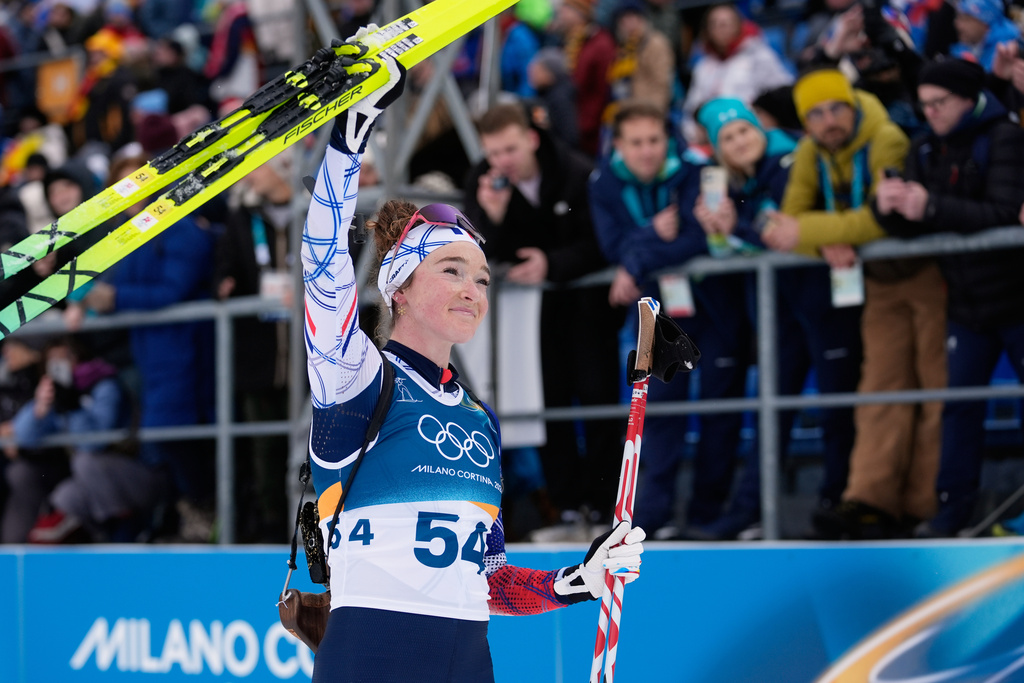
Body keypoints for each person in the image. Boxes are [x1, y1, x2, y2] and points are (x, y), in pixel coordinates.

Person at [302, 50, 644, 681]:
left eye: (483, 279)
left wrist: (580, 579)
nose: (472, 291)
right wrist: (348, 143)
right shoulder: (359, 379)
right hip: (374, 654)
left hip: (468, 662)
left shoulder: (479, 421)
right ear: (399, 287)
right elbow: (322, 269)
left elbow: (487, 581)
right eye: (452, 271)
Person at [872, 58, 1024, 537]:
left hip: (1017, 298)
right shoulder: (924, 147)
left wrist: (930, 205)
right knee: (957, 409)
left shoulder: (1005, 138)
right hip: (966, 304)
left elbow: (1004, 212)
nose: (931, 112)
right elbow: (912, 225)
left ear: (968, 99)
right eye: (925, 104)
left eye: (941, 103)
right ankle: (950, 513)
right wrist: (890, 208)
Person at [464, 102, 625, 539]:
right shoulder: (483, 182)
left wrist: (551, 264)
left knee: (598, 402)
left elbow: (605, 242)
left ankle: (607, 506)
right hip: (532, 319)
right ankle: (568, 507)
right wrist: (491, 218)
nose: (502, 162)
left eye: (510, 150)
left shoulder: (578, 172)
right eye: (494, 152)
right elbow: (475, 252)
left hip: (589, 309)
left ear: (531, 138)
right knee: (546, 405)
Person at [762, 69, 905, 534]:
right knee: (844, 397)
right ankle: (846, 497)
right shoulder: (809, 151)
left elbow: (883, 219)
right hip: (848, 287)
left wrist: (814, 233)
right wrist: (824, 239)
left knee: (898, 394)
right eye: (816, 114)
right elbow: (787, 224)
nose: (829, 121)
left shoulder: (886, 137)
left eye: (835, 108)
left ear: (853, 104)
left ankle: (894, 503)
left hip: (904, 280)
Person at [587, 100, 709, 538]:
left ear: (667, 139)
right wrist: (651, 236)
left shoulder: (693, 171)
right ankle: (652, 518)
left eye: (654, 140)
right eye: (636, 142)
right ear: (619, 145)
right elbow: (610, 246)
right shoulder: (603, 181)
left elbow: (698, 241)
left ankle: (704, 516)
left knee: (718, 409)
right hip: (651, 316)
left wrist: (637, 257)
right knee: (656, 414)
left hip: (708, 306)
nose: (646, 151)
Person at [681, 3, 793, 144]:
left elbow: (782, 92)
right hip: (714, 139)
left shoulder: (758, 55)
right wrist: (693, 133)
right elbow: (691, 108)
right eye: (715, 24)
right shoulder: (702, 67)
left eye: (726, 23)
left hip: (753, 134)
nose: (721, 28)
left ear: (739, 25)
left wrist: (763, 116)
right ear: (707, 30)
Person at [552, 0, 616, 157]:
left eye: (567, 9)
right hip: (572, 124)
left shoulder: (600, 43)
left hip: (589, 132)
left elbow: (603, 90)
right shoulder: (570, 42)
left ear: (580, 13)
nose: (561, 13)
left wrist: (586, 125)